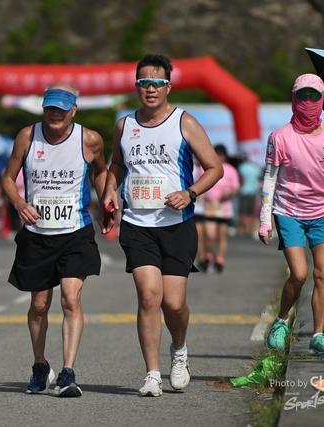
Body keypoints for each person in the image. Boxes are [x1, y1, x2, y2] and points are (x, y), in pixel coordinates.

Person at [101, 54, 224, 397]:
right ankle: (152, 373)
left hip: (176, 225)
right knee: (148, 297)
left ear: (168, 86)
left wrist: (190, 192)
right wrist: (109, 191)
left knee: (174, 304)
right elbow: (117, 165)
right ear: (136, 86)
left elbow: (215, 168)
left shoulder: (185, 123)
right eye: (144, 83)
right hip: (137, 223)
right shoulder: (124, 125)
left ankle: (179, 351)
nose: (151, 89)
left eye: (157, 83)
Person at [2, 81, 109, 397]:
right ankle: (40, 365)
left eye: (62, 109)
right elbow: (7, 177)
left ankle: (67, 372)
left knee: (70, 299)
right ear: (43, 108)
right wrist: (19, 203)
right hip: (37, 234)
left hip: (75, 232)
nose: (55, 114)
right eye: (50, 108)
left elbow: (102, 171)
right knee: (38, 306)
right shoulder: (27, 136)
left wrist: (107, 197)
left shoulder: (89, 139)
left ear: (73, 109)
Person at [259, 74, 324, 357]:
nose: (308, 101)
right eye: (303, 95)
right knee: (299, 274)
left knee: (322, 273)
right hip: (289, 212)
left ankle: (318, 336)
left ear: (322, 99)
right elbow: (270, 178)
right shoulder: (280, 137)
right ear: (294, 98)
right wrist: (265, 219)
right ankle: (281, 321)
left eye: (314, 96)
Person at [201, 144, 240, 274]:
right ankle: (208, 255)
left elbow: (235, 187)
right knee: (210, 235)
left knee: (222, 236)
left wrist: (229, 193)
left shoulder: (230, 170)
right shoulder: (204, 168)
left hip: (224, 207)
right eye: (216, 154)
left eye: (220, 154)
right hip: (210, 206)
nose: (218, 157)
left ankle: (219, 259)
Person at [237, 155, 263, 240]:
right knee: (251, 212)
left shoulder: (242, 167)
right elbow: (260, 179)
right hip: (253, 192)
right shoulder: (257, 169)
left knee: (242, 211)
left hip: (244, 191)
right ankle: (250, 229)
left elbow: (240, 178)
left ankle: (243, 229)